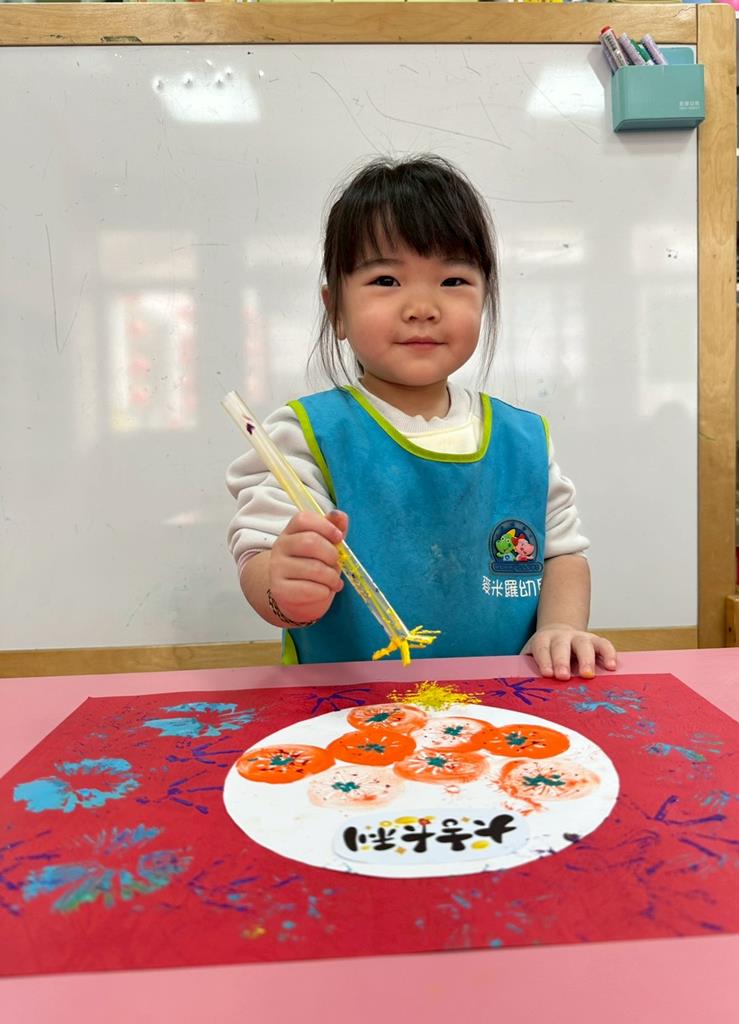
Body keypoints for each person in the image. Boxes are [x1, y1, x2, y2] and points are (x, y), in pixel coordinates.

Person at [227, 155, 617, 680]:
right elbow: (259, 560)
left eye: (453, 280)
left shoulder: (524, 440)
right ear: (335, 308)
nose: (422, 307)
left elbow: (561, 555)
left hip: (503, 710)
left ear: (485, 298)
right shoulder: (304, 436)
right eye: (386, 279)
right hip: (349, 711)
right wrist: (283, 587)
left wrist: (561, 627)